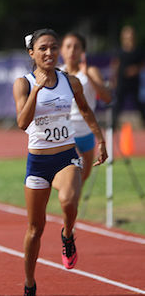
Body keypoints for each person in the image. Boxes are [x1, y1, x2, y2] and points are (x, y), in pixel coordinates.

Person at [13, 28, 107, 296]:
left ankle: (67, 234)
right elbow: (21, 122)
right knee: (34, 229)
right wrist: (38, 89)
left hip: (67, 155)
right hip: (38, 162)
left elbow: (87, 110)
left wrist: (100, 139)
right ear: (32, 53)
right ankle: (29, 284)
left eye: (53, 48)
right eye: (43, 48)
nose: (49, 53)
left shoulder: (71, 81)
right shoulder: (23, 83)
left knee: (68, 200)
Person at [60, 32, 112, 183]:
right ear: (62, 50)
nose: (72, 51)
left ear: (82, 51)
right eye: (68, 47)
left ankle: (71, 205)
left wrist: (87, 76)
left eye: (76, 47)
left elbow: (106, 97)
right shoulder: (57, 73)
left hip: (88, 134)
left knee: (82, 180)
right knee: (72, 178)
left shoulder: (90, 71)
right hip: (67, 135)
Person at [110, 25, 145, 129]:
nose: (129, 38)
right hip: (122, 81)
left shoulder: (139, 50)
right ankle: (113, 124)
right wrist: (114, 79)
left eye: (130, 35)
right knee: (118, 103)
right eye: (126, 35)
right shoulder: (119, 50)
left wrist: (136, 69)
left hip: (134, 81)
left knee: (139, 103)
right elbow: (115, 64)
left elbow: (142, 64)